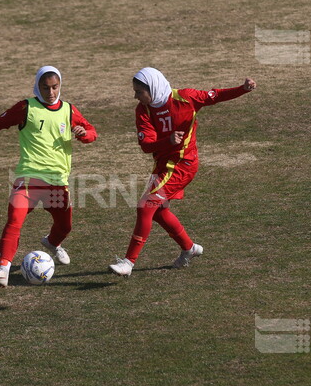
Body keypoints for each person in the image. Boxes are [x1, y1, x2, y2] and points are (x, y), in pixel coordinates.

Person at [0, 66, 97, 286]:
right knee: (14, 221)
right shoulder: (26, 107)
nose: (51, 92)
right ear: (38, 86)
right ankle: (3, 268)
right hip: (28, 178)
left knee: (64, 227)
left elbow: (92, 131)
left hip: (57, 182)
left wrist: (84, 135)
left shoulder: (69, 110)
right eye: (46, 88)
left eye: (55, 87)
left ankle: (52, 243)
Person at [109, 68, 256, 277]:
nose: (135, 97)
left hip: (182, 164)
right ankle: (189, 248)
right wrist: (166, 141)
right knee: (158, 211)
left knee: (145, 207)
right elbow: (146, 145)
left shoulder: (186, 98)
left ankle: (128, 263)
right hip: (163, 165)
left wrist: (242, 89)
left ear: (153, 88)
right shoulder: (143, 111)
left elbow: (214, 96)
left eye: (139, 92)